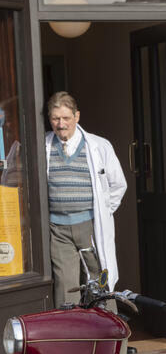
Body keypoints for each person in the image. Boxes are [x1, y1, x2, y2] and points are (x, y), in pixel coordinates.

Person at [45, 91, 127, 306]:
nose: (61, 124)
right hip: (58, 229)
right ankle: (71, 328)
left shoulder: (99, 145)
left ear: (77, 116)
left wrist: (103, 212)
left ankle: (108, 326)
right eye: (55, 118)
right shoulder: (43, 145)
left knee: (100, 281)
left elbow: (118, 185)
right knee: (65, 287)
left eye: (66, 118)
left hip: (89, 225)